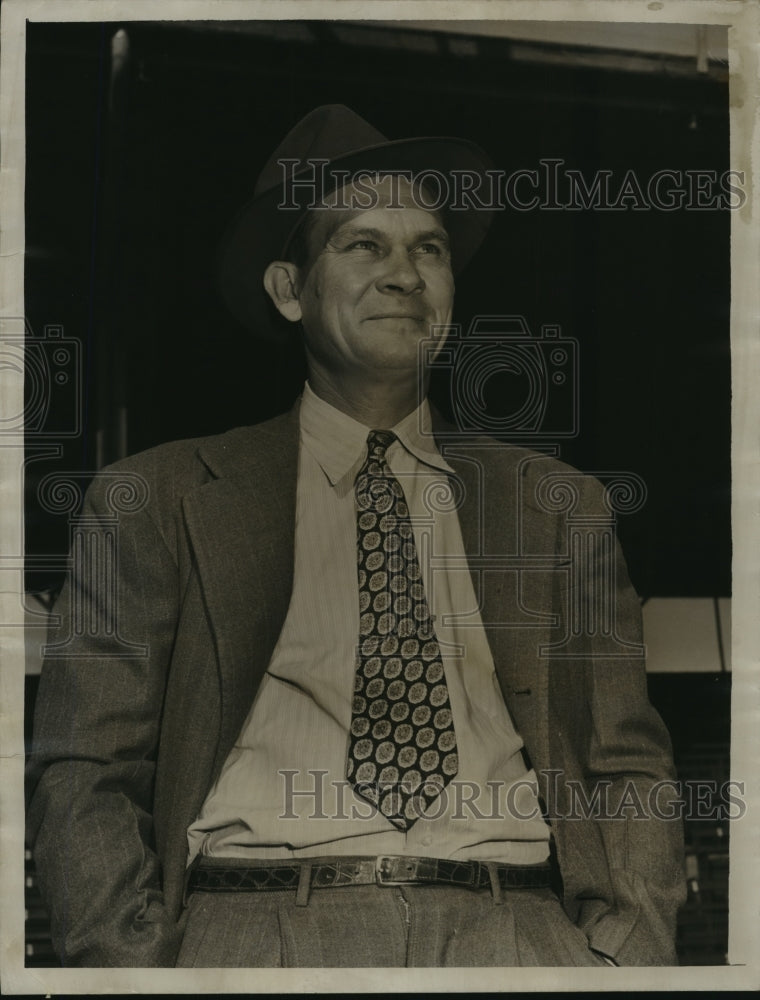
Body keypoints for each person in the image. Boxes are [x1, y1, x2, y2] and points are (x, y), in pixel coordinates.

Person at [26, 105, 685, 968]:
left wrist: (626, 957)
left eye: (430, 248)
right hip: (260, 937)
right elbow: (85, 772)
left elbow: (625, 765)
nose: (405, 274)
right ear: (288, 290)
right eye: (363, 244)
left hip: (518, 934)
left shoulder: (560, 507)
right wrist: (135, 973)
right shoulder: (153, 501)